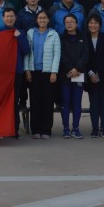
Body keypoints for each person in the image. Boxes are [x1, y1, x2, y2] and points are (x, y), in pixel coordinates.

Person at [24, 11, 60, 139]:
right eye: (40, 18)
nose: (42, 20)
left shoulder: (53, 34)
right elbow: (27, 53)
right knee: (35, 101)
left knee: (47, 101)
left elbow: (57, 54)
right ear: (37, 19)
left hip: (48, 72)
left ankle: (46, 130)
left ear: (48, 20)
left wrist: (54, 72)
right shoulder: (30, 33)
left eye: (45, 18)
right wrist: (27, 70)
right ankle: (36, 129)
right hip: (33, 72)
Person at [0, 8, 30, 138]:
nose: (9, 18)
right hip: (2, 73)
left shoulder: (21, 32)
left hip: (17, 71)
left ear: (15, 18)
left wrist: (19, 37)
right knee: (1, 101)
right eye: (7, 16)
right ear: (3, 18)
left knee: (14, 101)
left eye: (11, 16)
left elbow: (26, 50)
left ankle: (14, 130)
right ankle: (0, 130)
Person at [58, 14, 88, 139]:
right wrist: (71, 68)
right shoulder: (61, 37)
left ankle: (76, 128)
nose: (69, 24)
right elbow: (62, 54)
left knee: (77, 103)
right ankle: (66, 128)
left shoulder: (83, 37)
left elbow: (85, 55)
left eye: (72, 21)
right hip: (65, 74)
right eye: (67, 22)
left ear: (76, 23)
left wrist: (77, 68)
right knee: (65, 103)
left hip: (79, 74)